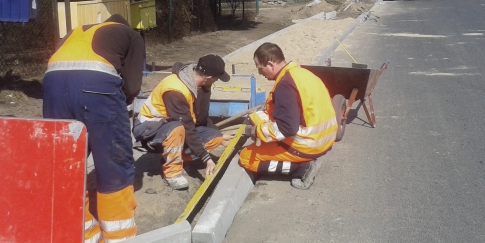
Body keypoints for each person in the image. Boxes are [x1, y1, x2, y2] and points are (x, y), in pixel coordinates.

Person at [42, 14, 145, 243]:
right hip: (96, 87)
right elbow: (132, 86)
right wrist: (121, 104)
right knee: (113, 164)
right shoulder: (131, 35)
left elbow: (64, 67)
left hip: (52, 87)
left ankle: (84, 240)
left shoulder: (75, 31)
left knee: (66, 164)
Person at [239, 42, 338, 189]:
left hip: (308, 145)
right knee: (256, 117)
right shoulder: (303, 74)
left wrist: (256, 132)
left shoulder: (285, 85)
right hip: (326, 139)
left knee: (246, 157)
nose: (260, 73)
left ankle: (301, 168)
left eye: (260, 68)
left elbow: (287, 128)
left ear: (270, 65)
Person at [133, 55, 232, 190]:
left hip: (173, 125)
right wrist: (206, 158)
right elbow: (186, 125)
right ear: (208, 78)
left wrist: (219, 135)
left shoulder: (199, 86)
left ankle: (182, 158)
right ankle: (172, 173)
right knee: (177, 127)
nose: (216, 82)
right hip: (149, 128)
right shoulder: (175, 90)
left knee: (215, 137)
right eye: (216, 79)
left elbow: (199, 119)